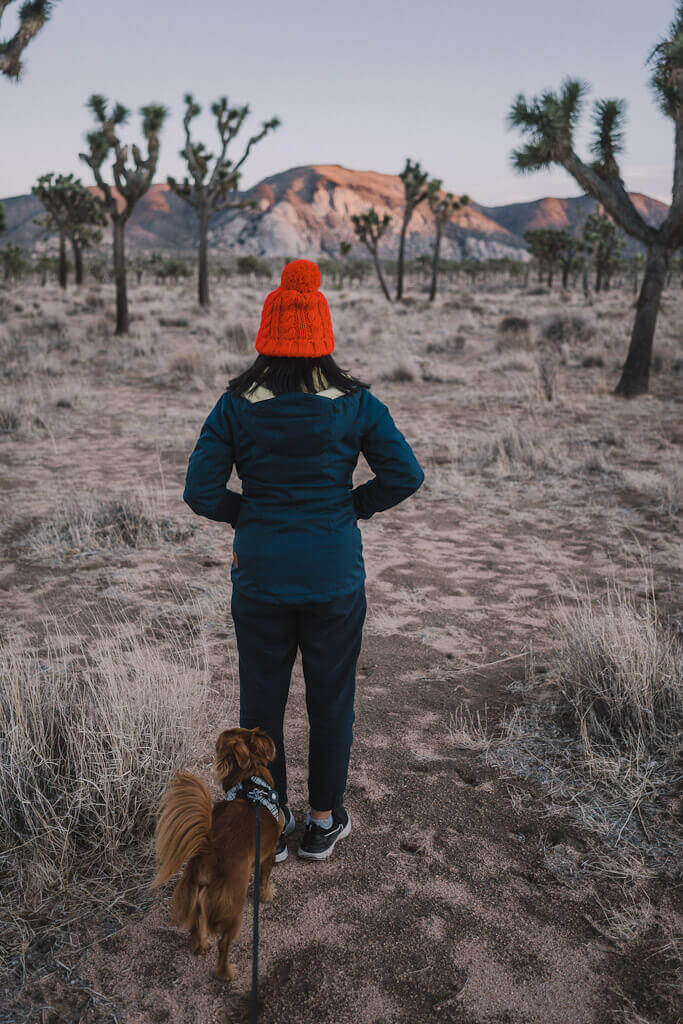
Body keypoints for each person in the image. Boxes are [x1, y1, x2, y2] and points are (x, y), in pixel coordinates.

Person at [184, 259, 423, 862]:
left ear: (268, 333)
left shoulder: (236, 403)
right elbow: (406, 474)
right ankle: (322, 821)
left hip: (260, 576)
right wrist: (350, 508)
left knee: (260, 702)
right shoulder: (355, 401)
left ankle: (269, 822)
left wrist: (248, 515)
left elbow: (200, 493)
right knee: (330, 698)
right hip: (333, 575)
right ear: (323, 334)